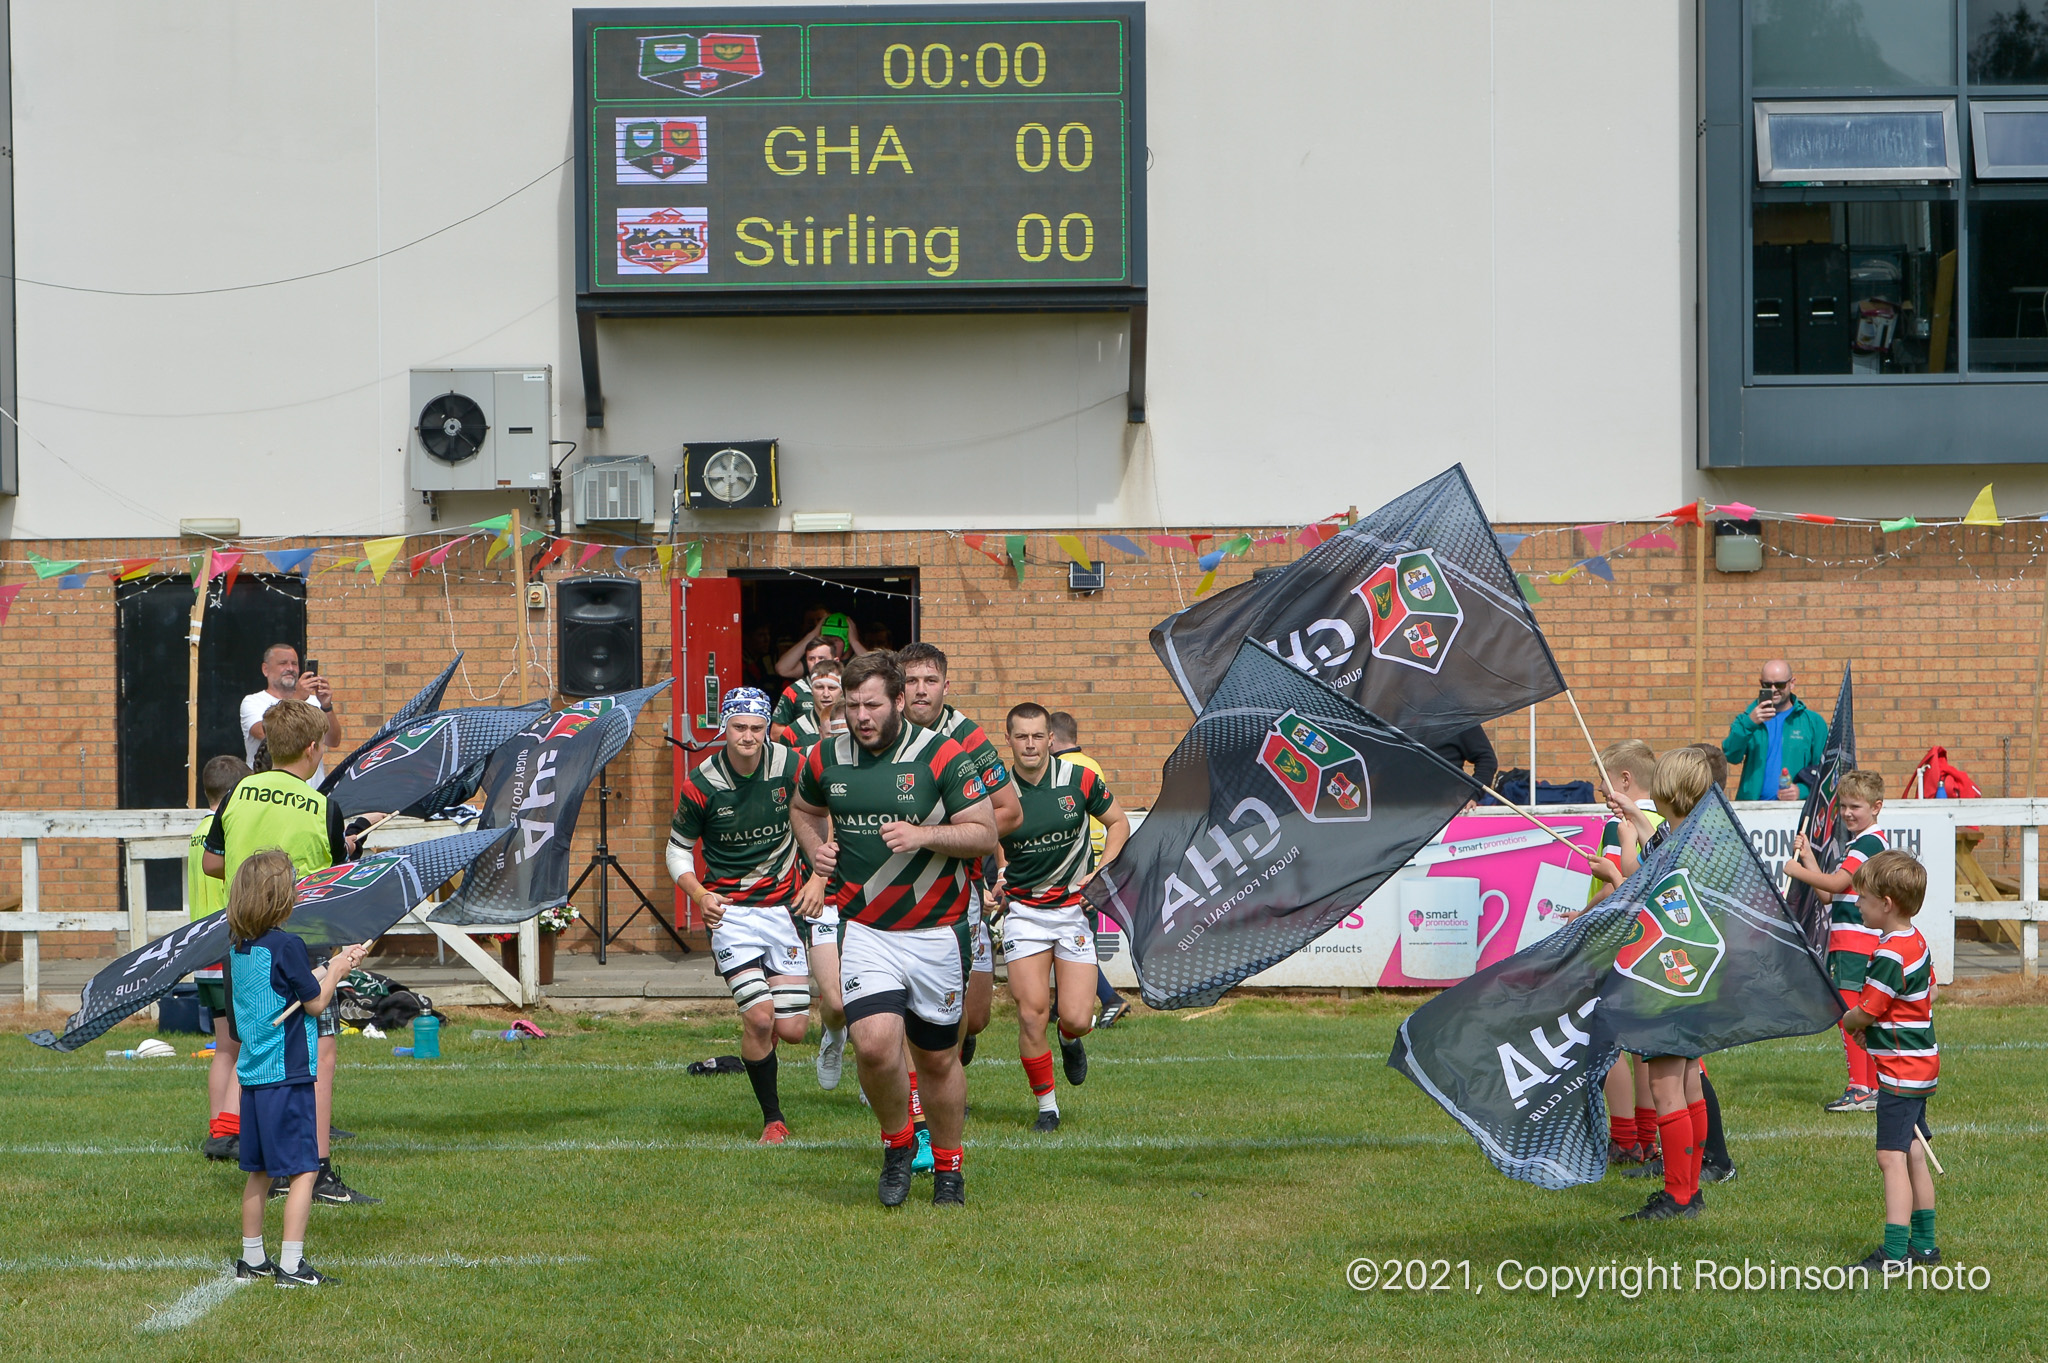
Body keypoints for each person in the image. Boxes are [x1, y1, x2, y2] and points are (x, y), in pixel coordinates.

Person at [789, 651, 999, 1208]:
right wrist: (817, 850)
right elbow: (804, 810)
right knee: (876, 1047)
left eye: (872, 705)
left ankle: (950, 1168)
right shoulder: (824, 756)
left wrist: (924, 835)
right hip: (866, 929)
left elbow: (984, 833)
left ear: (899, 701)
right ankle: (897, 1144)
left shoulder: (943, 755)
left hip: (938, 931)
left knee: (935, 1059)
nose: (860, 716)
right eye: (851, 705)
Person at [204, 699, 377, 1207]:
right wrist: (351, 847)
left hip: (242, 941)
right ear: (313, 747)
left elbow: (214, 862)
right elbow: (333, 875)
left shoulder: (237, 794)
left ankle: (267, 1163)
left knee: (257, 1051)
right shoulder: (323, 806)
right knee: (316, 1054)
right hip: (303, 943)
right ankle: (314, 1169)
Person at [667, 688, 827, 1143]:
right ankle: (773, 1120)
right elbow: (676, 851)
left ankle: (761, 1049)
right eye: (739, 728)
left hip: (784, 909)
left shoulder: (792, 766)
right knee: (759, 1017)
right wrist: (698, 894)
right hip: (731, 913)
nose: (749, 737)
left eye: (757, 728)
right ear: (725, 728)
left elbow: (825, 812)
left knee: (793, 1029)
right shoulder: (701, 783)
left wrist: (818, 877)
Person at [225, 849, 372, 1288]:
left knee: (260, 1171)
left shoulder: (240, 948)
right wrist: (338, 970)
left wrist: (334, 964)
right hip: (287, 1077)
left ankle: (253, 1257)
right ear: (280, 898)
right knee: (305, 1168)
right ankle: (291, 1264)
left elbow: (293, 983)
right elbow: (314, 1001)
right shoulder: (288, 945)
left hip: (253, 1077)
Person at [995, 703, 1131, 1131]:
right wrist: (996, 875)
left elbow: (1119, 823)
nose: (1030, 744)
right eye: (1022, 736)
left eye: (1038, 736)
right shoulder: (996, 788)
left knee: (1074, 1017)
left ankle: (1070, 1039)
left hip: (1072, 911)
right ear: (1010, 740)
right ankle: (1047, 1107)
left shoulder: (1079, 779)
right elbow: (983, 833)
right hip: (1023, 913)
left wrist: (1101, 873)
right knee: (1031, 1012)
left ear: (1051, 739)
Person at [898, 641, 1022, 1085]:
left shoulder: (967, 736)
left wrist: (939, 838)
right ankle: (922, 1094)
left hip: (960, 885)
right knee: (905, 996)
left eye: (930, 681)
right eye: (911, 681)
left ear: (945, 686)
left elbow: (1009, 811)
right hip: (893, 888)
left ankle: (950, 1055)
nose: (920, 690)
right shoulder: (880, 733)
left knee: (976, 1012)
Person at [1609, 746, 1716, 1221]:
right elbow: (1660, 844)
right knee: (1690, 1084)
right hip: (1695, 978)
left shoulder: (1678, 845)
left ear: (1668, 793)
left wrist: (1613, 871)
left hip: (1670, 976)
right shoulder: (1692, 835)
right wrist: (1634, 811)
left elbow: (1641, 879)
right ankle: (1689, 1191)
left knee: (1667, 1087)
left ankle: (1677, 1196)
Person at [1838, 849, 1941, 1273]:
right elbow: (1928, 994)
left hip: (1900, 1072)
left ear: (1886, 903)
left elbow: (1868, 1008)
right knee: (1914, 1150)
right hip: (1920, 1067)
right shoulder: (1914, 940)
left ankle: (1895, 1252)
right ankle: (1926, 1246)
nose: (1856, 903)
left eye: (1861, 897)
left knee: (1891, 1157)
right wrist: (1878, 1027)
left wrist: (1852, 1020)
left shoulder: (1890, 953)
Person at [1568, 739, 1661, 1167]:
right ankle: (1647, 1136)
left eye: (1602, 786)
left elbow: (1615, 883)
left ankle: (1623, 1137)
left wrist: (1579, 918)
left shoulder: (1618, 825)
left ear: (1625, 780)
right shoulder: (1664, 821)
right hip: (1654, 946)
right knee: (1646, 1047)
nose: (1600, 796)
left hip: (1615, 943)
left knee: (1608, 1043)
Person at [1787, 768, 1890, 1113]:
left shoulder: (1868, 843)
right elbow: (1830, 896)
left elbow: (1834, 883)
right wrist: (1807, 859)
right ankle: (1871, 1086)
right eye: (1843, 806)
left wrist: (1795, 871)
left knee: (1849, 1016)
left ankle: (1860, 1087)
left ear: (1876, 807)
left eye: (1855, 806)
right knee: (1859, 1014)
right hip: (1853, 943)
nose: (1847, 813)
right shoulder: (1863, 843)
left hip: (1855, 944)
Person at [1049, 711, 1130, 1028]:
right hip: (1098, 864)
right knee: (1067, 940)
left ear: (1052, 738)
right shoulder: (1091, 764)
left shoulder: (1066, 769)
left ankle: (1111, 999)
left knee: (1075, 944)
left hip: (1080, 869)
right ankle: (1059, 1008)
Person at [193, 754, 253, 1161]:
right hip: (227, 947)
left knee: (223, 1046)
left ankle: (219, 1125)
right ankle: (230, 1129)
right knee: (247, 1045)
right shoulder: (231, 829)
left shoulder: (198, 831)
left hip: (201, 954)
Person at [1720, 659, 1826, 801]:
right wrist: (1749, 723)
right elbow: (1731, 755)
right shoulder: (1747, 719)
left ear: (1792, 683)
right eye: (1767, 685)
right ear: (1760, 683)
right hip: (1753, 808)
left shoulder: (1812, 722)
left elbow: (1825, 769)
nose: (1774, 690)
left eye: (1780, 685)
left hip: (1796, 809)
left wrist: (1802, 790)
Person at [240, 644, 342, 783]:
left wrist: (326, 706)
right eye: (283, 663)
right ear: (265, 669)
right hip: (269, 791)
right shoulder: (253, 702)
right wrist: (298, 698)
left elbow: (333, 741)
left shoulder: (314, 701)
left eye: (294, 663)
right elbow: (266, 733)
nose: (290, 668)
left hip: (311, 793)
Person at [773, 608, 867, 682]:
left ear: (847, 642)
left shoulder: (859, 660)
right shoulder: (818, 660)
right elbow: (782, 669)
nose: (830, 644)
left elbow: (880, 671)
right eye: (826, 639)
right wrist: (813, 634)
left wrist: (855, 642)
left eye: (835, 640)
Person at [771, 636, 842, 733]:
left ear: (835, 661)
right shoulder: (795, 690)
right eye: (811, 659)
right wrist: (806, 737)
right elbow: (775, 733)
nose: (816, 662)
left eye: (821, 658)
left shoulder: (849, 688)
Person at [774, 658, 844, 749]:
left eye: (832, 688)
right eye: (819, 687)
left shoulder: (854, 725)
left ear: (842, 691)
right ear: (811, 690)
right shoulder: (793, 732)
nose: (826, 694)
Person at [1432, 725, 1499, 811]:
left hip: (1447, 808)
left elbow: (1486, 759)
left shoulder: (1457, 719)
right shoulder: (1409, 721)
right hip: (1411, 806)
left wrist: (1472, 794)